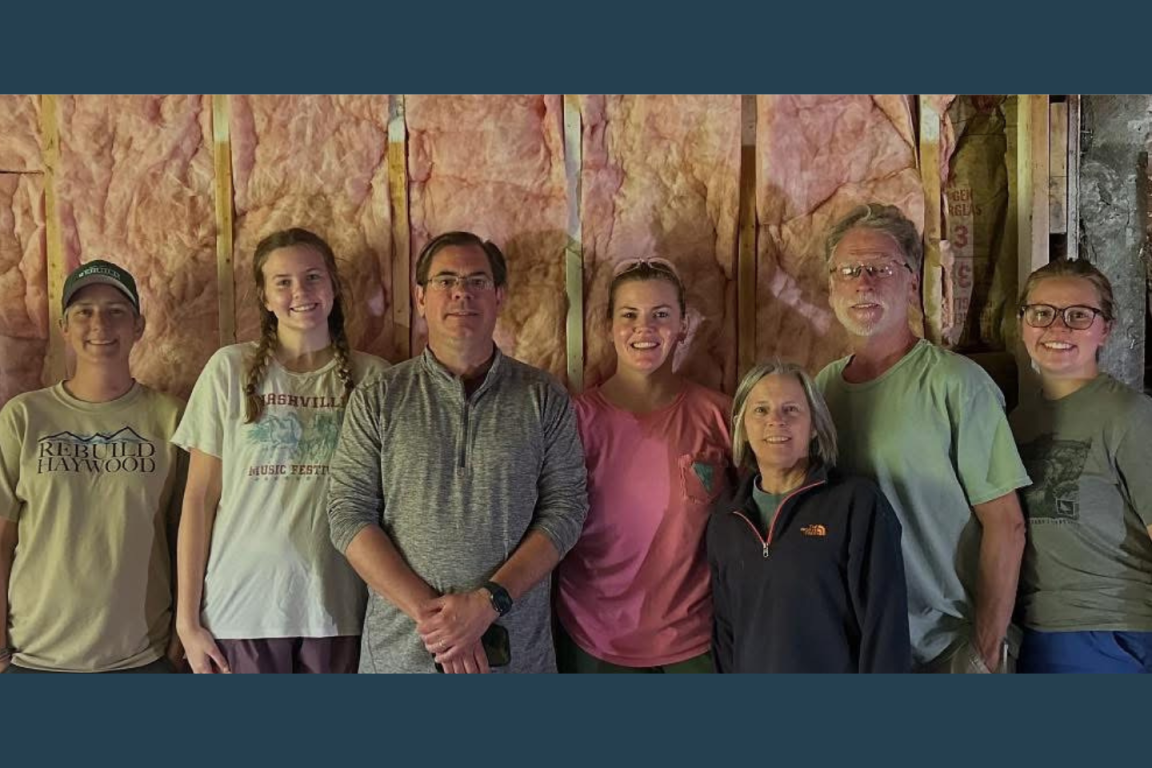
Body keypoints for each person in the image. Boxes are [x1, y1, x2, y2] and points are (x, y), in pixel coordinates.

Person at [326, 231, 588, 673]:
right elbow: (347, 513)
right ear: (420, 296)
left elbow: (566, 509)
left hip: (516, 656)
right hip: (400, 657)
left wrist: (488, 604)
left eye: (477, 281)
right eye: (445, 280)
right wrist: (439, 621)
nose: (461, 292)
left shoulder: (543, 396)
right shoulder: (379, 396)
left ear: (499, 296)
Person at [815, 203, 1030, 673]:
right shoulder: (819, 391)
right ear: (831, 287)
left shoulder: (957, 384)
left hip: (948, 649)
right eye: (849, 270)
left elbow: (1006, 526)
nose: (863, 283)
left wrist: (985, 652)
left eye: (881, 268)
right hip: (861, 647)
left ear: (912, 281)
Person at [174, 228, 389, 674]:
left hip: (339, 607)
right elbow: (198, 499)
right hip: (241, 610)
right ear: (265, 297)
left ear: (333, 286)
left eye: (313, 277)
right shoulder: (228, 369)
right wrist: (187, 621)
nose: (300, 292)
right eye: (283, 282)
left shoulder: (376, 378)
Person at [0, 260, 186, 673]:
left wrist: (177, 642)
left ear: (138, 326)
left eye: (116, 311)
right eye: (84, 312)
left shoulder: (172, 419)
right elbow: (1, 542)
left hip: (142, 658)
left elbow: (187, 538)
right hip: (34, 660)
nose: (99, 323)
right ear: (65, 327)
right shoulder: (23, 417)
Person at [555, 258, 731, 673]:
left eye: (661, 315)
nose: (644, 329)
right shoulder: (575, 422)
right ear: (608, 326)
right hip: (591, 640)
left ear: (684, 325)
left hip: (692, 643)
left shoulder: (719, 417)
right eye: (629, 315)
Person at [707, 361, 909, 672]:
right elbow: (726, 634)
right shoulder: (726, 520)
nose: (776, 421)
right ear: (742, 427)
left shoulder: (856, 505)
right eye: (760, 410)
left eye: (791, 410)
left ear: (814, 425)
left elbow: (884, 632)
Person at [1010, 258, 1152, 673]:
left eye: (1078, 316)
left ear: (1105, 329)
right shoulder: (1016, 422)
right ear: (1023, 323)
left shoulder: (1129, 414)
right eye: (1042, 313)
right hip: (1040, 629)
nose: (1057, 328)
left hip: (1113, 628)